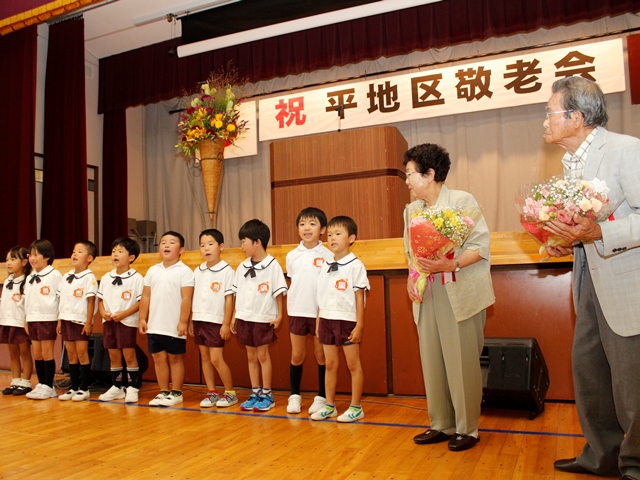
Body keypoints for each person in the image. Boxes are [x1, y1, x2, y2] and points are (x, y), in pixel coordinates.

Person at [542, 76, 640, 480]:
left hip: (624, 280)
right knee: (590, 370)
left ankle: (635, 464)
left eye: (549, 113)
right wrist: (566, 242)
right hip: (586, 276)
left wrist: (599, 233)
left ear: (576, 117)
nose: (544, 122)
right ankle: (602, 454)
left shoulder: (626, 150)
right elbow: (583, 225)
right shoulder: (570, 163)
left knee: (631, 380)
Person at [403, 144, 494, 451]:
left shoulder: (461, 201)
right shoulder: (411, 211)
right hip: (427, 292)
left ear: (430, 174)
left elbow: (480, 246)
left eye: (410, 174)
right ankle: (440, 424)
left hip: (460, 288)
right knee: (432, 359)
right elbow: (410, 253)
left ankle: (468, 429)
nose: (407, 181)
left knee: (461, 361)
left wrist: (451, 263)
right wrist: (411, 277)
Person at [311, 215, 370, 423]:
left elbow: (359, 297)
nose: (332, 238)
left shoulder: (356, 266)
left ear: (351, 238)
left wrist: (359, 325)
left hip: (347, 321)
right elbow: (321, 296)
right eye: (329, 234)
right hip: (326, 319)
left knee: (354, 365)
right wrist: (319, 322)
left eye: (338, 234)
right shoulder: (325, 264)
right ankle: (329, 405)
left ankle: (356, 407)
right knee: (330, 364)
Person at [231, 219, 287, 412]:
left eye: (243, 241)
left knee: (262, 355)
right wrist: (234, 317)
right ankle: (255, 392)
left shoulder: (273, 265)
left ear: (257, 242)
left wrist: (279, 315)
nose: (241, 246)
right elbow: (236, 293)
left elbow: (279, 292)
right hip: (245, 317)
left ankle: (267, 394)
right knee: (251, 356)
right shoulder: (242, 266)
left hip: (264, 317)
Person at [285, 207, 333, 415]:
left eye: (312, 224)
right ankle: (294, 396)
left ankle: (322, 397)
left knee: (321, 355)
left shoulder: (329, 254)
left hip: (319, 313)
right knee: (297, 355)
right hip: (296, 310)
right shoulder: (292, 255)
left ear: (322, 229)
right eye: (303, 224)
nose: (307, 228)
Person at [139, 231, 194, 406]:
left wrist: (183, 321)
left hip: (174, 325)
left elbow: (187, 298)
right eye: (163, 242)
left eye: (171, 242)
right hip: (155, 324)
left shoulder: (185, 271)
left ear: (181, 249)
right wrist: (142, 318)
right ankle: (163, 391)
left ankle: (177, 392)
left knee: (175, 358)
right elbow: (146, 296)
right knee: (158, 358)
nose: (166, 245)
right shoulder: (153, 270)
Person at [190, 228, 238, 408]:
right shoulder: (197, 271)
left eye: (210, 244)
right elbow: (192, 297)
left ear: (221, 246)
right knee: (204, 357)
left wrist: (226, 323)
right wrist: (190, 320)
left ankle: (230, 392)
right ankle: (211, 392)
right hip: (199, 319)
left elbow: (229, 300)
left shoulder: (227, 271)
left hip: (216, 321)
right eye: (202, 245)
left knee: (216, 358)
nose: (206, 249)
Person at [97, 237, 145, 403]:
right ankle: (117, 386)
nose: (115, 254)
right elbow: (100, 299)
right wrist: (103, 312)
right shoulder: (105, 278)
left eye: (120, 251)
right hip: (109, 322)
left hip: (127, 321)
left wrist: (124, 314)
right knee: (113, 354)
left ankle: (132, 387)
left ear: (131, 257)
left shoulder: (137, 278)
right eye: (113, 251)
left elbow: (140, 302)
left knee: (129, 354)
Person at [56, 241, 98, 402]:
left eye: (79, 252)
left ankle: (84, 388)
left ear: (89, 258)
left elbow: (91, 301)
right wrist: (60, 319)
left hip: (80, 320)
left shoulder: (89, 277)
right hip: (66, 319)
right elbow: (62, 300)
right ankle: (73, 387)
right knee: (71, 355)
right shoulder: (66, 276)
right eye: (74, 251)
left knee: (82, 354)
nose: (75, 254)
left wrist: (89, 322)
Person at [24, 239, 63, 400]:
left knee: (47, 352)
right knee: (37, 353)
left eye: (36, 255)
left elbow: (60, 298)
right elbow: (26, 300)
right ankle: (41, 384)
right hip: (33, 318)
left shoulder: (54, 275)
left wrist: (59, 319)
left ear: (47, 256)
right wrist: (26, 320)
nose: (32, 259)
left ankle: (49, 386)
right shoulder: (30, 277)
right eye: (30, 255)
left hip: (48, 318)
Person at [1, 246, 33, 396]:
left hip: (20, 323)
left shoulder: (27, 281)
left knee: (24, 352)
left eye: (13, 259)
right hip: (8, 322)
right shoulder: (8, 280)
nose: (9, 262)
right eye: (7, 259)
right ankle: (15, 380)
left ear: (24, 262)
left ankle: (26, 381)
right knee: (13, 353)